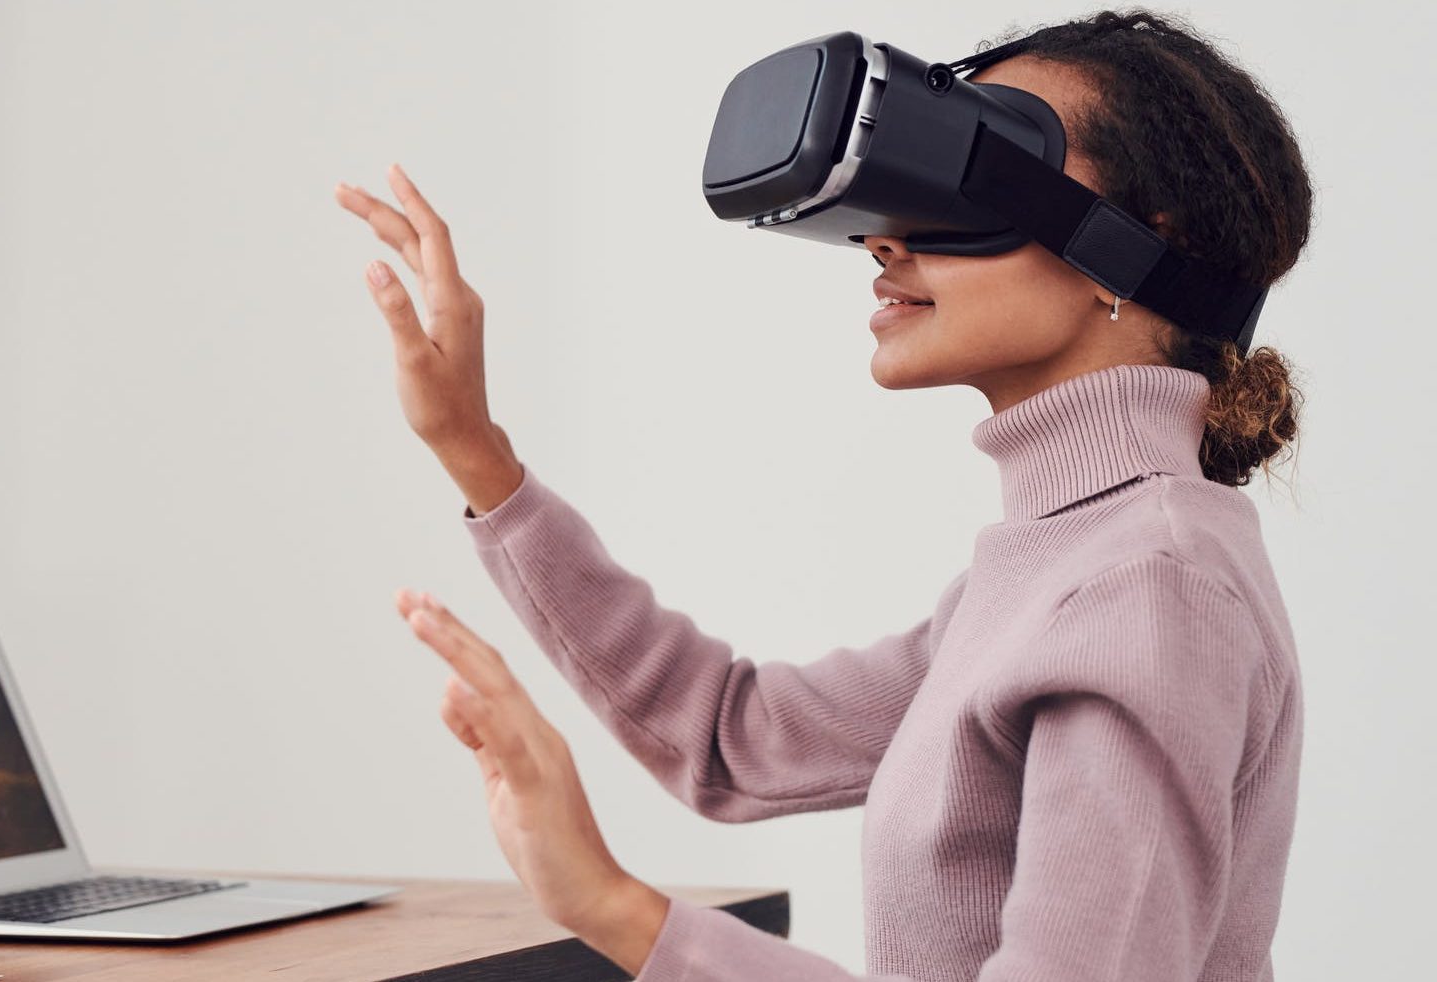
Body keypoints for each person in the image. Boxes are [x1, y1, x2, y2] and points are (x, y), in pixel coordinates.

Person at [333, 9, 1308, 980]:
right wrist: (474, 450)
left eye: (975, 165)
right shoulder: (1058, 566)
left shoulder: (1144, 590)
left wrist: (612, 906)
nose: (882, 240)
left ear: (1134, 244)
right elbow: (732, 738)